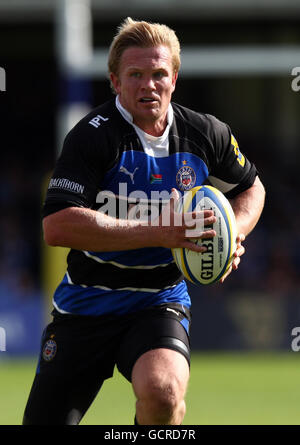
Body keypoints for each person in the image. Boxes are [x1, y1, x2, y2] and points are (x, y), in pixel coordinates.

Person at [23, 17, 265, 425]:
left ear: (175, 78)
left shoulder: (205, 133)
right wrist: (159, 232)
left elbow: (252, 187)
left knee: (164, 393)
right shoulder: (91, 136)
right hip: (86, 305)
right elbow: (57, 225)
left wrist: (232, 232)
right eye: (135, 75)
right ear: (115, 81)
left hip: (158, 301)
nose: (148, 85)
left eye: (158, 74)